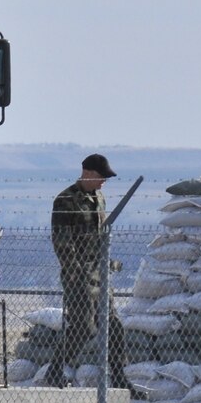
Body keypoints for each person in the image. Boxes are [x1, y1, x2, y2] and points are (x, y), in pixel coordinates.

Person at [49, 153, 127, 388]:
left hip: (100, 273)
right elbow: (62, 241)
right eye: (101, 177)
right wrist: (74, 272)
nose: (104, 182)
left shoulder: (99, 198)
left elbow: (101, 235)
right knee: (84, 326)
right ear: (88, 174)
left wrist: (109, 263)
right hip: (79, 274)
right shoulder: (66, 200)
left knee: (113, 325)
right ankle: (55, 371)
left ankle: (120, 378)